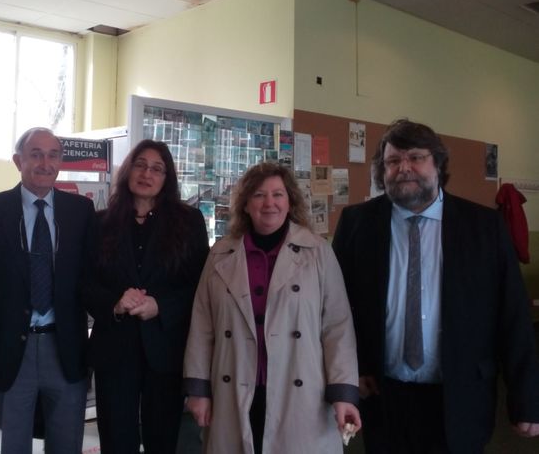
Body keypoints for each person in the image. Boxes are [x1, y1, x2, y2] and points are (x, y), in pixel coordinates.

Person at [332, 118, 539, 453]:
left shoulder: (484, 227)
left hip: (460, 396)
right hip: (383, 396)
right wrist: (348, 372)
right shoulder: (357, 224)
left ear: (438, 164)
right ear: (381, 171)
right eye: (393, 161)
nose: (404, 168)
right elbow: (336, 309)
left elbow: (513, 315)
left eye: (416, 157)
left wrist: (527, 398)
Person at [184, 162, 361, 453]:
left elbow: (337, 327)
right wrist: (198, 389)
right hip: (234, 386)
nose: (270, 203)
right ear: (245, 204)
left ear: (289, 201)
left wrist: (343, 393)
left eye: (278, 194)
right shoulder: (220, 254)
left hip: (302, 392)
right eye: (259, 195)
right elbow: (203, 325)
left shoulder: (318, 252)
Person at [0, 127, 95, 454]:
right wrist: (6, 317)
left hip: (64, 349)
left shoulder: (80, 212)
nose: (45, 163)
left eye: (53, 155)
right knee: (12, 445)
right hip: (9, 350)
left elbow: (89, 276)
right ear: (17, 160)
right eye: (35, 154)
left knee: (66, 444)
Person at [83, 140, 209, 454]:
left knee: (162, 439)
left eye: (157, 168)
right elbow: (84, 282)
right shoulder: (100, 223)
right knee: (116, 439)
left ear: (167, 178)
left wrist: (161, 306)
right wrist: (114, 302)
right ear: (127, 170)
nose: (146, 173)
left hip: (166, 350)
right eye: (140, 164)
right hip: (114, 349)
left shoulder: (189, 223)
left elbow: (201, 287)